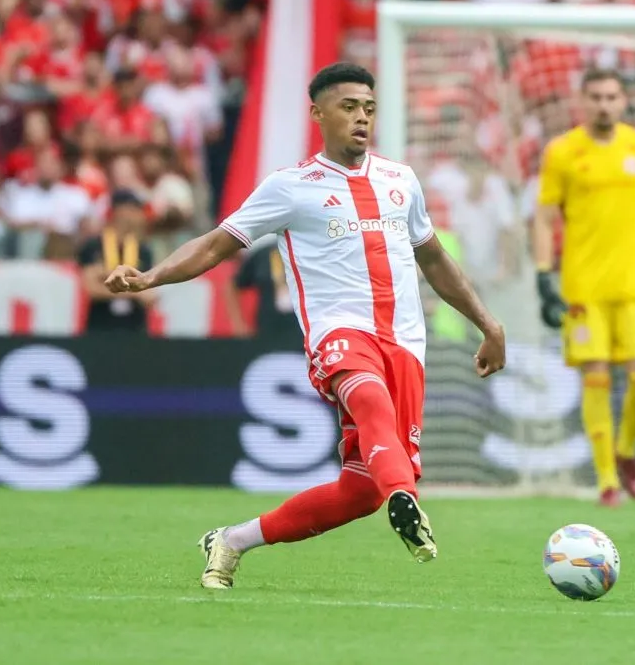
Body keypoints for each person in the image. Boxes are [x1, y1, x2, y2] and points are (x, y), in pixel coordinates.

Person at [105, 62, 506, 589]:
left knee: (361, 490)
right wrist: (150, 276)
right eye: (348, 107)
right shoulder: (291, 187)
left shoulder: (400, 180)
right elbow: (214, 244)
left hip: (405, 344)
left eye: (368, 108)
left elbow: (432, 259)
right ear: (318, 113)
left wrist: (487, 324)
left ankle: (232, 540)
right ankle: (404, 498)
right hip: (339, 333)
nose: (361, 118)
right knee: (369, 398)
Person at [533, 68, 635, 507]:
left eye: (612, 96)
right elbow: (545, 217)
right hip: (583, 289)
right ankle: (606, 481)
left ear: (624, 102)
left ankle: (626, 453)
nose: (604, 104)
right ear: (582, 102)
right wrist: (543, 274)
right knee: (596, 379)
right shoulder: (562, 152)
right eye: (596, 97)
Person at [80, 189, 156, 333]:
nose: (139, 215)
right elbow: (91, 288)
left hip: (135, 326)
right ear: (119, 211)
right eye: (134, 209)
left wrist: (103, 274)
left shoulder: (143, 249)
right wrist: (135, 292)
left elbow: (150, 294)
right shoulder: (94, 246)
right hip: (100, 325)